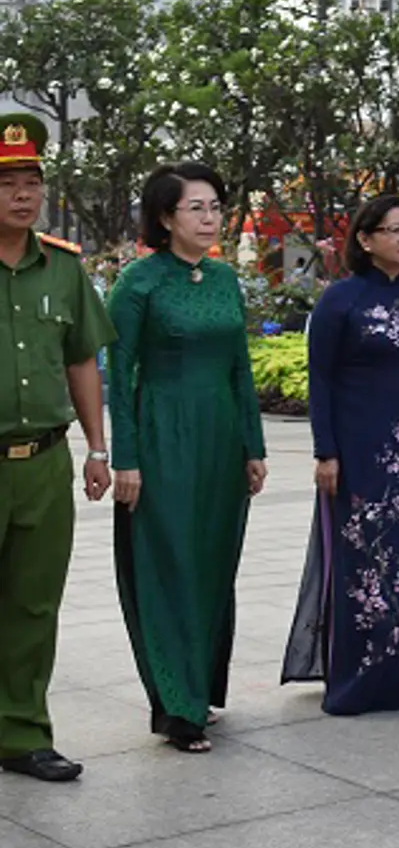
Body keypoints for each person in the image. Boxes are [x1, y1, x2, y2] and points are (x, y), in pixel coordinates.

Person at [108, 162, 268, 753]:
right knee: (168, 563)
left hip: (220, 438)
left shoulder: (225, 280)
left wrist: (254, 445)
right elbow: (118, 377)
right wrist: (125, 457)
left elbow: (240, 368)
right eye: (196, 208)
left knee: (210, 563)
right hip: (161, 436)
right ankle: (176, 706)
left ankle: (198, 686)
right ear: (164, 217)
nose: (210, 218)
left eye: (216, 207)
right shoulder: (139, 283)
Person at [281, 195, 399, 714]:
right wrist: (326, 452)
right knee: (362, 558)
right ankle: (355, 680)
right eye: (396, 230)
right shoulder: (340, 300)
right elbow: (321, 382)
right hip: (358, 450)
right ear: (365, 239)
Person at [0, 114, 115, 783]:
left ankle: (21, 733)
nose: (23, 194)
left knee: (32, 605)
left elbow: (80, 362)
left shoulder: (63, 269)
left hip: (44, 461)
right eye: (9, 182)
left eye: (32, 181)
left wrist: (98, 449)